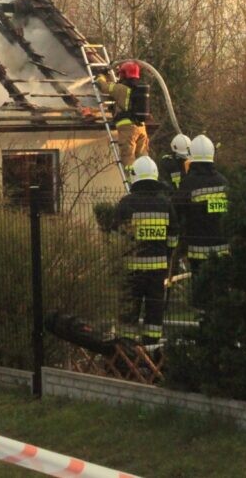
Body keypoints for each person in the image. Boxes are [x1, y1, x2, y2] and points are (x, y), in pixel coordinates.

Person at [113, 156, 178, 345]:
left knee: (129, 311)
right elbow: (173, 237)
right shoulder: (165, 204)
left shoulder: (126, 204)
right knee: (155, 310)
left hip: (131, 271)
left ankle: (126, 348)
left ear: (135, 176)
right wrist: (166, 255)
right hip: (158, 270)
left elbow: (116, 236)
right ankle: (152, 349)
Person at [174, 135, 229, 302]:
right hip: (222, 248)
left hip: (197, 250)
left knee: (201, 291)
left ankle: (202, 312)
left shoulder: (189, 183)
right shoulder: (223, 182)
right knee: (220, 289)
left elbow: (176, 211)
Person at [97, 61, 149, 172]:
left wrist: (101, 75)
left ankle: (132, 180)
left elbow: (103, 86)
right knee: (143, 156)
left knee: (128, 157)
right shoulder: (139, 88)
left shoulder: (120, 88)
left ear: (124, 74)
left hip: (127, 129)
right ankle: (146, 176)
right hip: (141, 127)